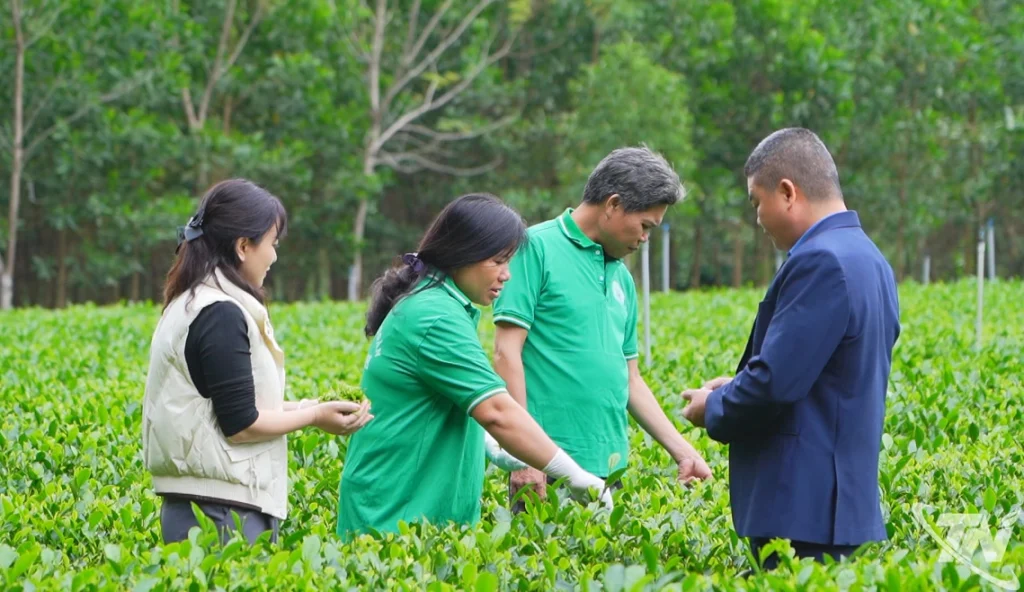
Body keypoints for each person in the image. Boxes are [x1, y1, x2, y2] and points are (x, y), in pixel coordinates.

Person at [680, 128, 901, 569]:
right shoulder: (869, 258)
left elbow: (775, 384)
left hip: (803, 512)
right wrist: (737, 384)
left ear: (787, 193)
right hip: (835, 508)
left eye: (756, 202)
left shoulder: (821, 260)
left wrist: (713, 407)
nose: (758, 219)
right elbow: (823, 374)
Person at [336, 193, 613, 540]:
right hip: (395, 515)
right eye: (498, 261)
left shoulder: (435, 303)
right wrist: (575, 476)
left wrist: (490, 444)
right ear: (462, 252)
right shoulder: (434, 316)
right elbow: (496, 411)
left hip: (405, 510)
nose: (507, 275)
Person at [142, 178, 372, 545]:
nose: (275, 257)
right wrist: (314, 417)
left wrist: (312, 406)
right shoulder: (219, 313)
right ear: (243, 246)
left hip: (206, 503)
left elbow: (235, 407)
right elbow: (241, 424)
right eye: (272, 244)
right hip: (221, 513)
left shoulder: (192, 302)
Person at [492, 146, 711, 511]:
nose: (645, 239)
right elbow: (506, 353)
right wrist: (523, 457)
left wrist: (684, 452)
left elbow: (631, 380)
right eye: (645, 226)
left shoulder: (622, 278)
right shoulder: (535, 249)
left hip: (609, 471)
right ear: (613, 205)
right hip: (547, 466)